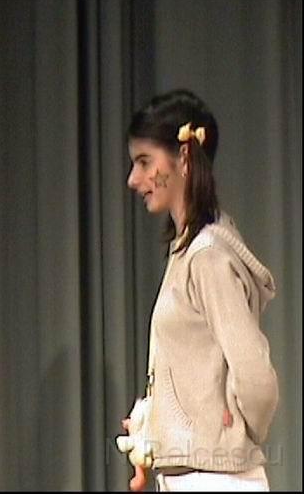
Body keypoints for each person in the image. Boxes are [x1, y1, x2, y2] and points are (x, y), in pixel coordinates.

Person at [122, 89, 279, 491]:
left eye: (145, 162)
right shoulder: (187, 251)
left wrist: (229, 435)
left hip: (216, 478)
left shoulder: (208, 256)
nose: (134, 179)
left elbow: (256, 378)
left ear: (184, 158)